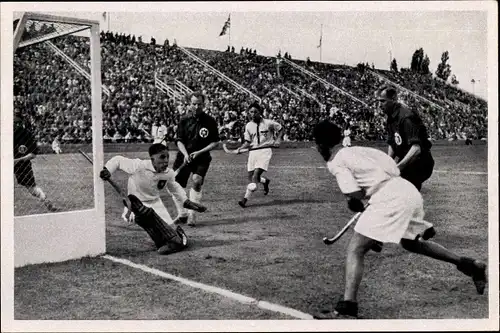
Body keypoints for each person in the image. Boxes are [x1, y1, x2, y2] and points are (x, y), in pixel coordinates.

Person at [311, 119, 487, 319]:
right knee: (411, 244)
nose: (317, 147)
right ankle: (470, 265)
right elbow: (394, 169)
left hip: (390, 198)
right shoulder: (361, 150)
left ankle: (347, 309)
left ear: (321, 144)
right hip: (406, 190)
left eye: (317, 143)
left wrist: (353, 202)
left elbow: (355, 193)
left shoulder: (336, 162)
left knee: (356, 249)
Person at [99, 143, 206, 241]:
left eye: (167, 157)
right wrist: (107, 169)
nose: (166, 160)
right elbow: (118, 160)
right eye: (162, 157)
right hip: (136, 205)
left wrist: (188, 203)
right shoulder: (138, 166)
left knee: (173, 235)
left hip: (156, 203)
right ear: (152, 159)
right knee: (155, 227)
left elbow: (176, 190)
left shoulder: (168, 173)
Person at [171, 92, 220, 226]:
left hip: (202, 157)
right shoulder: (184, 120)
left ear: (203, 104)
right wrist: (186, 154)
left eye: (199, 104)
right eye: (194, 104)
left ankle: (192, 215)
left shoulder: (210, 121)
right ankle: (182, 215)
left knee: (197, 180)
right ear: (189, 104)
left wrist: (199, 152)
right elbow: (179, 140)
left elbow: (215, 142)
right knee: (176, 186)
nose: (196, 106)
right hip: (184, 157)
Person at [375, 85, 434, 191]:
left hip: (420, 162)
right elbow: (393, 143)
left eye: (382, 101)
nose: (379, 105)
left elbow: (416, 149)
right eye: (378, 101)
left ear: (393, 99)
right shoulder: (390, 117)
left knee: (401, 192)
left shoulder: (406, 117)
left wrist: (398, 168)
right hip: (408, 160)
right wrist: (388, 164)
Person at [235, 102, 283, 208]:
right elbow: (247, 142)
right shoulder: (248, 125)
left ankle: (244, 200)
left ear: (260, 112)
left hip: (265, 151)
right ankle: (265, 181)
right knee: (251, 176)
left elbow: (280, 129)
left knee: (255, 175)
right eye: (251, 112)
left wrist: (278, 139)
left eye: (255, 112)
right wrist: (240, 148)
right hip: (253, 152)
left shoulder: (268, 123)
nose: (253, 114)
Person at [13, 108, 58, 212]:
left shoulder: (27, 135)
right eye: (14, 121)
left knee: (32, 188)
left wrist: (17, 160)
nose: (15, 124)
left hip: (21, 165)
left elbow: (33, 154)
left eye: (17, 121)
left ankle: (45, 200)